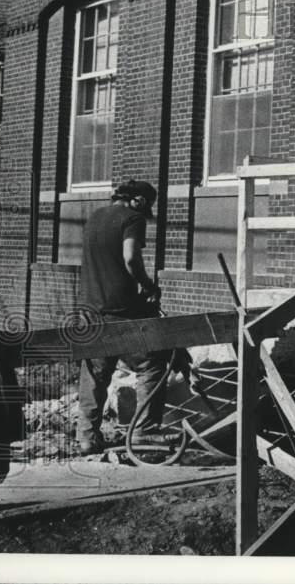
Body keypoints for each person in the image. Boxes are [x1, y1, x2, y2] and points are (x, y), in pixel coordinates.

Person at [76, 179, 173, 455]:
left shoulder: (95, 217)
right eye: (147, 206)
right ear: (139, 201)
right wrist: (148, 284)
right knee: (151, 363)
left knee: (94, 373)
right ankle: (144, 431)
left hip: (91, 310)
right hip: (121, 310)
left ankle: (87, 437)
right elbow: (130, 257)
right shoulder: (132, 218)